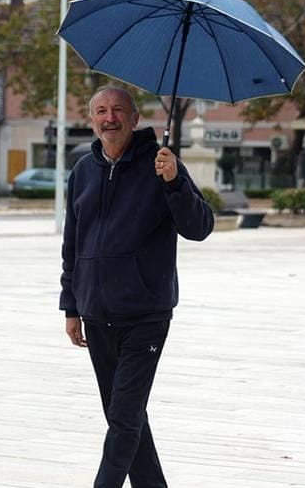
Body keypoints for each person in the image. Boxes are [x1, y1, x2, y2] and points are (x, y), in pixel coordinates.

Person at [60, 86, 214, 487]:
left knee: (124, 419)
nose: (109, 118)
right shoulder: (82, 171)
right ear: (91, 119)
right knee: (125, 417)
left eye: (117, 110)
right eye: (100, 111)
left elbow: (199, 227)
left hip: (145, 316)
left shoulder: (162, 165)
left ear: (134, 119)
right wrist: (71, 305)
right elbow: (72, 244)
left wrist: (174, 182)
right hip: (96, 315)